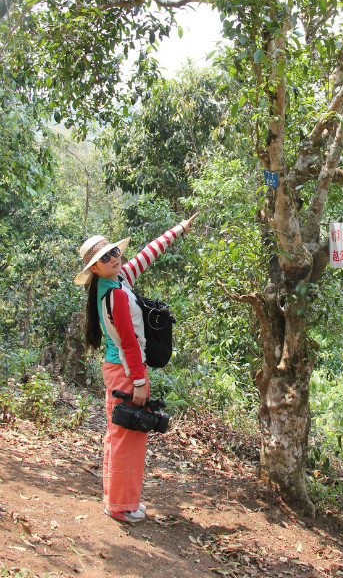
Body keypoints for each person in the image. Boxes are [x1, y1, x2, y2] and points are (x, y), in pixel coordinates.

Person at [74, 213, 198, 523]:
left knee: (119, 435)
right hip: (127, 371)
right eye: (106, 257)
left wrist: (178, 230)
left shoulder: (118, 280)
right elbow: (129, 343)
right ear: (94, 268)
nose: (114, 257)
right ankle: (119, 506)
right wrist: (140, 383)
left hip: (120, 369)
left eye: (114, 251)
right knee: (128, 440)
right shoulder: (115, 293)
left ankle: (117, 500)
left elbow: (146, 255)